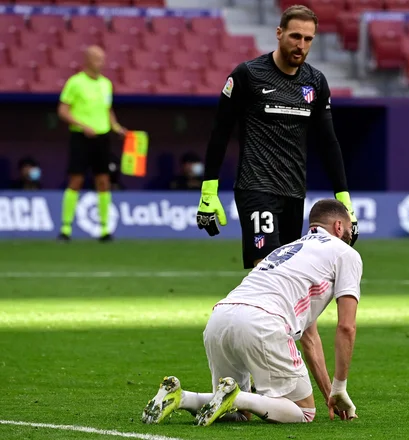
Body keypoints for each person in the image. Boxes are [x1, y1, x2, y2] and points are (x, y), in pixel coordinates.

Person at [142, 199, 362, 426]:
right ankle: (235, 396)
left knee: (238, 414)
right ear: (338, 226)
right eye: (348, 227)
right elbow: (346, 326)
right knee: (303, 412)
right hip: (263, 322)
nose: (349, 233)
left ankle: (181, 398)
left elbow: (310, 339)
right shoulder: (345, 253)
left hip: (220, 319)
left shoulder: (287, 250)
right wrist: (340, 386)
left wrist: (330, 394)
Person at [195, 5, 359, 269]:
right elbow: (220, 133)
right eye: (295, 36)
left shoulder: (316, 82)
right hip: (256, 186)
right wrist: (208, 192)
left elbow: (329, 142)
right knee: (267, 270)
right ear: (279, 33)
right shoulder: (247, 75)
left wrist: (344, 199)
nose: (301, 45)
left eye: (308, 39)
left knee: (286, 274)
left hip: (294, 192)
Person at [56, 45, 127, 242]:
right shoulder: (75, 83)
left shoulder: (106, 84)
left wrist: (116, 127)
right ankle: (65, 228)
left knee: (103, 181)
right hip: (81, 136)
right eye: (97, 59)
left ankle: (105, 229)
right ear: (87, 60)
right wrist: (82, 125)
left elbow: (107, 109)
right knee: (76, 180)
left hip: (103, 137)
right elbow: (63, 110)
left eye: (103, 59)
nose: (101, 63)